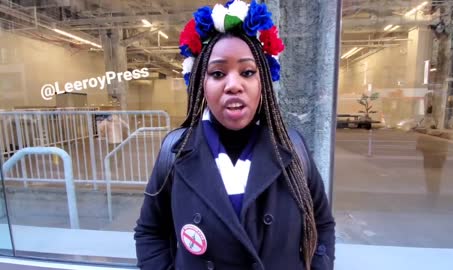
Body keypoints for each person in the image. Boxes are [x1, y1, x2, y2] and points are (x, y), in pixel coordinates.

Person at [134, 1, 335, 269]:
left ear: (262, 80)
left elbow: (321, 223)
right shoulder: (175, 152)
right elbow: (150, 232)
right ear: (200, 84)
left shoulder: (292, 148)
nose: (233, 85)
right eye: (218, 73)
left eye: (247, 72)